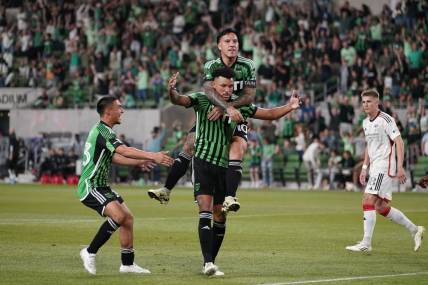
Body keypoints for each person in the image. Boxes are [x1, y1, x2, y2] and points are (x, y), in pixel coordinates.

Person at [165, 68, 300, 276]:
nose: (227, 90)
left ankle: (209, 261)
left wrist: (290, 107)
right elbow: (180, 101)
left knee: (220, 216)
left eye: (230, 86)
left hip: (223, 167)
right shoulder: (202, 99)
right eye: (223, 86)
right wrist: (172, 91)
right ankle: (208, 262)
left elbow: (270, 114)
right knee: (205, 209)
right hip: (202, 162)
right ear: (213, 86)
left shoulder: (240, 107)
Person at [148, 28, 256, 213]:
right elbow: (207, 90)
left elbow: (249, 96)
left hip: (235, 115)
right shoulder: (211, 65)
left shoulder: (247, 65)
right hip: (215, 113)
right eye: (228, 41)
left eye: (235, 41)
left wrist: (227, 107)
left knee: (237, 149)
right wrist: (223, 106)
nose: (232, 44)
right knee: (189, 143)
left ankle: (230, 197)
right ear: (219, 46)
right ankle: (166, 190)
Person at [78, 96, 173, 275]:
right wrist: (153, 156)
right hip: (90, 186)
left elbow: (114, 157)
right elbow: (123, 150)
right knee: (120, 216)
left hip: (101, 186)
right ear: (108, 111)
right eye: (119, 107)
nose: (122, 111)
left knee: (127, 218)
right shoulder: (103, 131)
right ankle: (89, 252)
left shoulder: (104, 131)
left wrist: (139, 162)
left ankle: (127, 264)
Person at [346, 89, 425, 252]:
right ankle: (415, 230)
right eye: (363, 102)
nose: (365, 105)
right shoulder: (365, 122)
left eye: (369, 101)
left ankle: (366, 244)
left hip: (385, 165)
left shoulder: (386, 120)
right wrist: (364, 168)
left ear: (377, 103)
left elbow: (399, 142)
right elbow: (369, 146)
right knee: (381, 207)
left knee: (367, 200)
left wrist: (401, 166)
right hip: (374, 166)